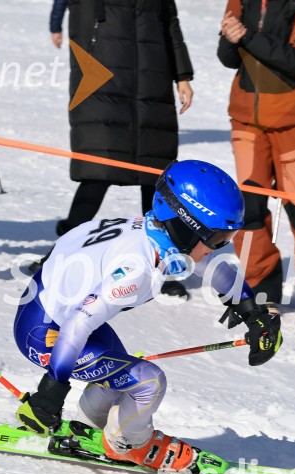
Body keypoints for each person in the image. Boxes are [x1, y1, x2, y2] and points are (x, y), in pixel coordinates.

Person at [13, 160, 282, 472]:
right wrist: (52, 389)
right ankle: (127, 445)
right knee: (149, 382)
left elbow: (215, 269)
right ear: (185, 226)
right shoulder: (136, 269)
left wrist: (252, 312)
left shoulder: (156, 235)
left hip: (55, 312)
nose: (222, 246)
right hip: (45, 332)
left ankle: (84, 428)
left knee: (120, 370)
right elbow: (78, 323)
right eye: (219, 238)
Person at [45, 0, 195, 299]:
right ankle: (60, 256)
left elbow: (170, 26)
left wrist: (183, 76)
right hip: (103, 87)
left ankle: (162, 265)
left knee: (154, 182)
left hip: (151, 86)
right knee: (96, 174)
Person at [217, 0, 295, 327]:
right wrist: (230, 39)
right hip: (247, 119)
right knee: (250, 210)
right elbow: (228, 58)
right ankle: (261, 288)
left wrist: (245, 35)